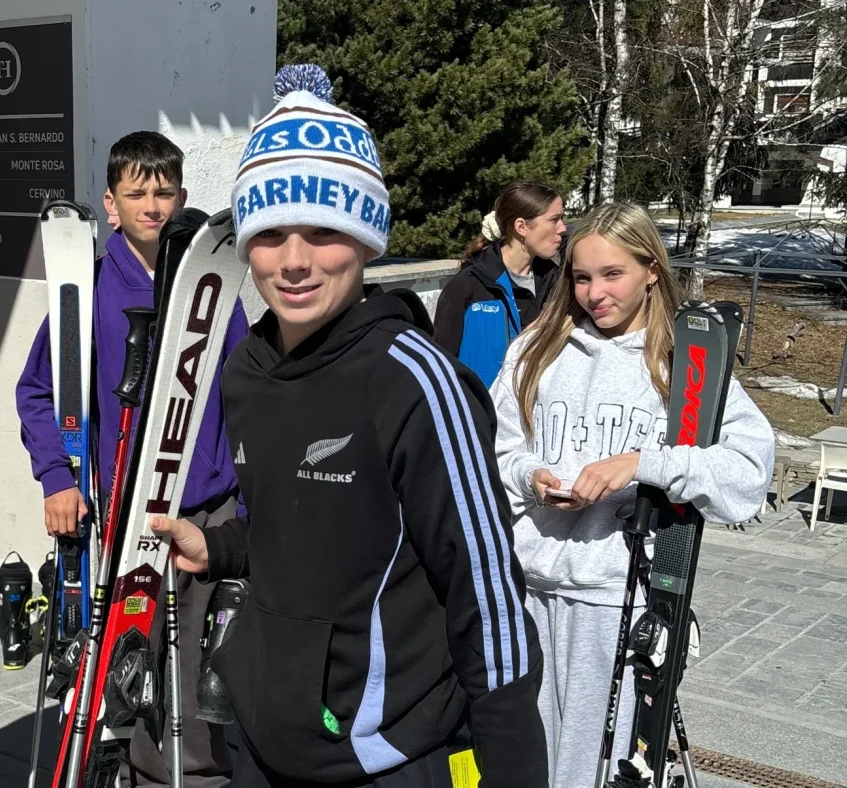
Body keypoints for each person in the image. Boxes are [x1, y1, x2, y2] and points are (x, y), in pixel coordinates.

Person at [150, 64, 548, 788]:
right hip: (269, 742)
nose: (295, 261)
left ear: (367, 239)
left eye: (325, 230)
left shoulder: (415, 380)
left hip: (385, 754)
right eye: (271, 232)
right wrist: (216, 545)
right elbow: (294, 527)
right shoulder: (246, 370)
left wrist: (514, 770)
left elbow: (485, 595)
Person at [486, 202, 775, 787]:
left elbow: (748, 472)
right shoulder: (537, 349)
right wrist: (529, 477)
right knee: (518, 759)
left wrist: (644, 465)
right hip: (528, 590)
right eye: (581, 276)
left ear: (650, 270)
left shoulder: (684, 362)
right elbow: (495, 451)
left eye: (612, 274)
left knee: (592, 766)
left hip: (617, 598)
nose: (594, 292)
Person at [14, 131, 247, 788]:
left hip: (202, 506)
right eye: (138, 192)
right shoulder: (86, 289)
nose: (153, 204)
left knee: (196, 671)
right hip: (121, 516)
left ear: (180, 199)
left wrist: (244, 505)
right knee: (123, 662)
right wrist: (57, 476)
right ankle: (120, 769)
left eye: (164, 191)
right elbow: (38, 391)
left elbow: (246, 394)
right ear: (111, 207)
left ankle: (190, 775)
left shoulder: (211, 291)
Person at [432, 183, 567, 386]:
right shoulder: (468, 285)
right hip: (479, 413)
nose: (563, 228)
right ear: (521, 227)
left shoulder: (556, 284)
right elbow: (439, 365)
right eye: (554, 220)